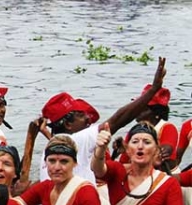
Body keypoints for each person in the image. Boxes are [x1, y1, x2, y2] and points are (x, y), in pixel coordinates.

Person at [38, 57, 167, 183]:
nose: (87, 119)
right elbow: (119, 120)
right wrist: (153, 90)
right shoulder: (76, 141)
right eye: (80, 116)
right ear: (68, 124)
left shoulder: (48, 151)